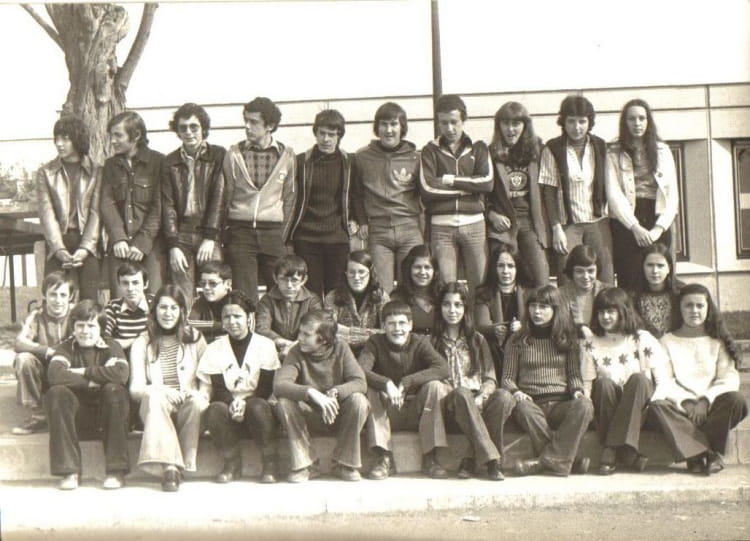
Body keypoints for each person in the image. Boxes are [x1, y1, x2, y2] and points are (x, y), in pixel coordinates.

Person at [649, 284, 747, 475]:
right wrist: (686, 402)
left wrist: (705, 401)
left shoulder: (718, 340)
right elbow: (665, 380)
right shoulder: (666, 341)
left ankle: (694, 453)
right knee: (656, 407)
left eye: (700, 305)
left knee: (736, 400)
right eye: (688, 305)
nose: (694, 310)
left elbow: (728, 378)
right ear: (679, 309)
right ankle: (707, 454)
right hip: (680, 409)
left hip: (712, 408)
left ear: (708, 308)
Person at [498, 285, 594, 477]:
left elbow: (574, 374)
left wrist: (577, 390)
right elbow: (507, 378)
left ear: (555, 309)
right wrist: (516, 392)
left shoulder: (567, 339)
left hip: (561, 405)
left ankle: (544, 462)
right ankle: (567, 460)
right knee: (523, 408)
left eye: (543, 307)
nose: (537, 311)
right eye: (533, 306)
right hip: (531, 404)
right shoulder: (517, 340)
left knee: (585, 406)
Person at [358, 300, 451, 480]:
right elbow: (360, 370)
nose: (397, 329)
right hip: (388, 413)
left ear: (410, 325)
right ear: (383, 326)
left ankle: (430, 457)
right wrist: (386, 384)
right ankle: (384, 457)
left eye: (402, 323)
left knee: (435, 386)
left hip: (417, 412)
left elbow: (443, 368)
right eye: (391, 324)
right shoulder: (375, 342)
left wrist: (407, 382)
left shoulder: (419, 342)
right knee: (370, 388)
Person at [274, 310, 369, 482]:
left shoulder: (341, 348)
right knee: (284, 403)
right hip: (309, 417)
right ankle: (307, 465)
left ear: (324, 339)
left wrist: (336, 392)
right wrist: (311, 393)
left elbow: (360, 382)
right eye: (300, 332)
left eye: (306, 334)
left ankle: (344, 464)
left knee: (359, 400)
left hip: (337, 414)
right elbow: (279, 385)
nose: (299, 338)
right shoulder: (296, 352)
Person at [580, 287, 667, 474]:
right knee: (603, 383)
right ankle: (627, 453)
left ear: (623, 311)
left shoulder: (641, 338)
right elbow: (587, 382)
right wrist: (586, 403)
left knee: (638, 379)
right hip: (607, 407)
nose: (605, 317)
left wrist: (655, 403)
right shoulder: (590, 343)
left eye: (611, 311)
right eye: (601, 312)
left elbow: (662, 379)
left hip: (640, 407)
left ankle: (610, 449)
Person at [129, 285, 208, 492]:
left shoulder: (195, 338)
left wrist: (197, 393)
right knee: (154, 399)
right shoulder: (142, 342)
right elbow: (136, 389)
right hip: (155, 408)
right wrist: (160, 390)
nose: (168, 313)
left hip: (187, 408)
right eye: (163, 307)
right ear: (154, 310)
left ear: (182, 311)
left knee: (197, 402)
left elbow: (207, 382)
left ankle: (177, 464)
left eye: (174, 308)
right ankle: (171, 468)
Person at [46, 300, 130, 490]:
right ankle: (69, 471)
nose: (85, 331)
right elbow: (55, 375)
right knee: (56, 393)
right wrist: (94, 380)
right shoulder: (66, 347)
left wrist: (81, 371)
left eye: (91, 326)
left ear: (100, 328)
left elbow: (121, 375)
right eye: (80, 325)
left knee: (114, 390)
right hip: (77, 420)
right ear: (73, 327)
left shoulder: (111, 346)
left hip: (108, 418)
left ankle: (116, 471)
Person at [198, 291, 280, 484]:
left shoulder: (265, 345)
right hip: (229, 407)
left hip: (258, 408)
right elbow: (218, 388)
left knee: (257, 406)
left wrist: (245, 403)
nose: (232, 321)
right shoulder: (214, 348)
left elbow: (266, 387)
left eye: (237, 316)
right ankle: (232, 462)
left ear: (249, 317)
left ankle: (270, 461)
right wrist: (232, 403)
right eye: (226, 317)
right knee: (214, 410)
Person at [223, 97, 296, 303]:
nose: (247, 126)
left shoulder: (287, 156)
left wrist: (282, 235)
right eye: (245, 121)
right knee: (244, 296)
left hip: (273, 233)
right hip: (241, 233)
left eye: (254, 122)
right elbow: (226, 195)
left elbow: (290, 198)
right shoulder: (234, 154)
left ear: (270, 126)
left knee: (280, 293)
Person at [430, 282, 505, 480]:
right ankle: (493, 461)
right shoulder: (431, 342)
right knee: (462, 393)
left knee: (504, 397)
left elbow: (490, 378)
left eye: (458, 305)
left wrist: (482, 396)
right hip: (450, 406)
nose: (452, 310)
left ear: (465, 309)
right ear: (440, 308)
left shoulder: (477, 340)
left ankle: (470, 460)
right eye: (446, 304)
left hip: (478, 401)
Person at [419, 94, 493, 295]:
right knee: (445, 287)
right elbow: (427, 188)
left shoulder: (478, 147)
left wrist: (450, 180)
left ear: (463, 120)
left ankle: (478, 318)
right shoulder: (430, 150)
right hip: (441, 227)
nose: (449, 128)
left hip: (475, 224)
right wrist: (469, 188)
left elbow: (487, 183)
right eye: (444, 123)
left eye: (454, 122)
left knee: (480, 286)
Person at [288, 109, 365, 298]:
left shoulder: (349, 162)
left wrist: (361, 221)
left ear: (339, 136)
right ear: (315, 133)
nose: (326, 139)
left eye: (332, 134)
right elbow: (292, 197)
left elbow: (356, 194)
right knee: (310, 293)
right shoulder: (302, 161)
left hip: (337, 237)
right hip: (306, 237)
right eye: (322, 133)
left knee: (336, 292)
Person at [539, 95, 614, 285]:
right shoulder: (553, 148)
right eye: (571, 121)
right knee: (568, 277)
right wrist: (556, 228)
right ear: (563, 122)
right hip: (568, 225)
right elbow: (549, 192)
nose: (576, 127)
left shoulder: (600, 146)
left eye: (582, 121)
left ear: (589, 122)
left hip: (597, 222)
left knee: (604, 277)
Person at [606, 99, 679, 291]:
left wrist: (658, 229)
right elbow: (613, 194)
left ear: (648, 121)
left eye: (641, 118)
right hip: (626, 221)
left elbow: (672, 195)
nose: (637, 123)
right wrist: (635, 227)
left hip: (657, 218)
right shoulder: (613, 152)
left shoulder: (662, 150)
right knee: (630, 276)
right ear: (625, 122)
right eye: (631, 119)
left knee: (659, 277)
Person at [352, 102, 423, 291]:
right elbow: (357, 193)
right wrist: (362, 221)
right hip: (379, 231)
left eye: (394, 124)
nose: (389, 130)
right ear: (377, 127)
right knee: (381, 290)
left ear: (402, 127)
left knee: (412, 287)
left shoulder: (415, 158)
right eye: (383, 124)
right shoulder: (362, 157)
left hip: (409, 229)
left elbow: (424, 195)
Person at [161, 103, 226, 307]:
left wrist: (210, 237)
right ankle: (186, 327)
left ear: (203, 128)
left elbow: (219, 197)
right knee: (182, 295)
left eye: (194, 127)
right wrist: (173, 245)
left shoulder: (217, 156)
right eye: (183, 128)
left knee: (216, 287)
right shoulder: (169, 162)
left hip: (209, 232)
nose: (188, 132)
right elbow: (168, 206)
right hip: (182, 234)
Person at [36, 115, 102, 301]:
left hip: (88, 242)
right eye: (57, 138)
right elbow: (47, 214)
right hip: (58, 241)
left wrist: (86, 248)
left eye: (65, 139)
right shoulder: (46, 173)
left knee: (89, 300)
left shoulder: (97, 171)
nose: (59, 144)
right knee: (55, 296)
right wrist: (59, 250)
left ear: (78, 139)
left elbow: (96, 213)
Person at [100, 111, 165, 297]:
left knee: (153, 299)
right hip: (120, 246)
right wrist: (118, 238)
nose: (112, 141)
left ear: (136, 135)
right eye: (111, 136)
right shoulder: (110, 166)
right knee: (119, 301)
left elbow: (160, 206)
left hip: (151, 246)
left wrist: (142, 242)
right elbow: (107, 203)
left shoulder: (159, 162)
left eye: (118, 135)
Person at [486, 102, 550, 286]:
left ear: (525, 125)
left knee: (540, 277)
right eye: (505, 123)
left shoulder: (538, 151)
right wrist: (491, 214)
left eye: (516, 124)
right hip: (503, 224)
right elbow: (481, 193)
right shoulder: (490, 153)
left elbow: (549, 190)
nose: (511, 129)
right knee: (501, 276)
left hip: (530, 222)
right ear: (499, 126)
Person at [12, 272, 74, 435]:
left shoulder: (76, 313)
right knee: (24, 359)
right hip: (44, 370)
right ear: (44, 295)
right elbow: (19, 342)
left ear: (70, 296)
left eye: (63, 295)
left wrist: (62, 353)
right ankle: (38, 415)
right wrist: (47, 351)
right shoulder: (37, 315)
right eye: (53, 294)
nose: (58, 300)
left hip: (69, 367)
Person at [474, 243, 528, 376]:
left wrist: (522, 327)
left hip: (523, 349)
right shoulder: (483, 293)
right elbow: (480, 326)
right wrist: (494, 329)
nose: (505, 271)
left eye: (511, 266)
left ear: (518, 268)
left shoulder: (529, 292)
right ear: (494, 268)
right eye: (501, 266)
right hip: (495, 350)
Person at [255, 255, 323, 359]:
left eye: (294, 280)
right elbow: (261, 329)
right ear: (275, 278)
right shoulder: (267, 300)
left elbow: (317, 328)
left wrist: (295, 346)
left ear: (304, 280)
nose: (289, 285)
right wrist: (282, 343)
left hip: (306, 351)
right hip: (276, 351)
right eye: (283, 279)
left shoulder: (312, 300)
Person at [324, 250, 389, 356]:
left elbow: (387, 331)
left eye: (361, 272)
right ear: (345, 273)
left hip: (373, 351)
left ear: (370, 273)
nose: (356, 277)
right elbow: (330, 330)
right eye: (351, 272)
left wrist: (347, 331)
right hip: (341, 352)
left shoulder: (381, 296)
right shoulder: (332, 297)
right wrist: (372, 335)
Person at [630, 242, 684, 338]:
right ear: (642, 267)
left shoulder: (681, 293)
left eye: (660, 265)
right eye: (650, 265)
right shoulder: (632, 296)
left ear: (669, 268)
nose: (655, 271)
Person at [390, 245, 441, 335]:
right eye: (417, 267)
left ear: (434, 271)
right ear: (409, 269)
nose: (422, 272)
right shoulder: (397, 298)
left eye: (427, 267)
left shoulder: (442, 296)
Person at [104, 262, 152, 356]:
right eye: (125, 283)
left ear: (145, 284)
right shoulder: (113, 307)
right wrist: (135, 341)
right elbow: (103, 338)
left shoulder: (155, 303)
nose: (130, 288)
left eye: (135, 283)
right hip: (123, 357)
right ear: (119, 285)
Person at [558, 244, 608, 329]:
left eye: (591, 271)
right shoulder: (560, 294)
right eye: (579, 271)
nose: (585, 276)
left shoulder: (607, 291)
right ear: (572, 271)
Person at [187, 261, 232, 343]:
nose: (206, 287)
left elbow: (246, 329)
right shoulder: (200, 301)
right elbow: (189, 325)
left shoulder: (238, 302)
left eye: (212, 283)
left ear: (228, 284)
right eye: (203, 283)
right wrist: (222, 326)